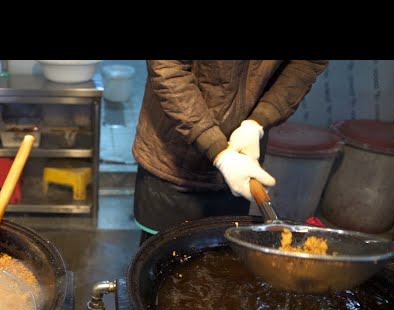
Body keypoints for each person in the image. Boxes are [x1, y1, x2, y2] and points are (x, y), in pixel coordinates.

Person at [132, 60, 329, 244]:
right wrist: (218, 151)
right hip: (173, 158)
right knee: (159, 258)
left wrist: (259, 121)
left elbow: (308, 62)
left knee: (223, 253)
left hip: (242, 154)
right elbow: (168, 68)